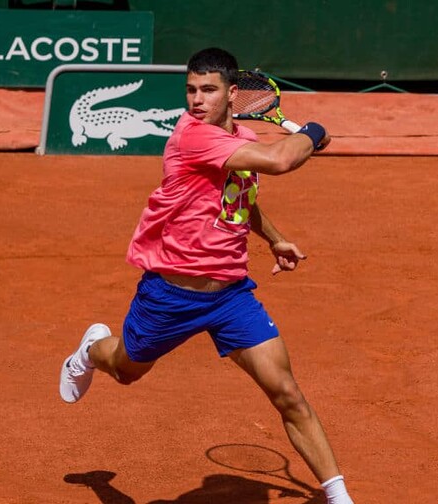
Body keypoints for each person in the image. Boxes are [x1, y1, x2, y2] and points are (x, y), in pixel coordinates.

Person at [59, 47, 355, 504]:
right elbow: (280, 161)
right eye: (191, 90)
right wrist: (314, 132)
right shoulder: (193, 137)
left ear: (232, 94)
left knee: (288, 393)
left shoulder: (241, 136)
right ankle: (90, 350)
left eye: (208, 90)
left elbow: (240, 197)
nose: (196, 100)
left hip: (231, 296)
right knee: (125, 371)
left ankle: (339, 497)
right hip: (170, 295)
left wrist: (273, 237)